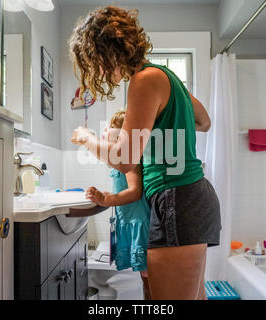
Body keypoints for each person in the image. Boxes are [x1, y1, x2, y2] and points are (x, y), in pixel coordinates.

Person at [69, 6, 221, 300]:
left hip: (176, 198)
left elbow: (125, 160)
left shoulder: (143, 80)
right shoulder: (167, 77)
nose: (98, 71)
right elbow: (204, 122)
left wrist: (87, 139)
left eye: (94, 62)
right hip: (191, 196)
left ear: (106, 51)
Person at [86, 110, 151, 300]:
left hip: (138, 222)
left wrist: (107, 200)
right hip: (132, 220)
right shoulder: (121, 160)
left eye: (113, 127)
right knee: (145, 278)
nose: (107, 130)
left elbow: (135, 190)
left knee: (149, 279)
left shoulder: (129, 159)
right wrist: (108, 195)